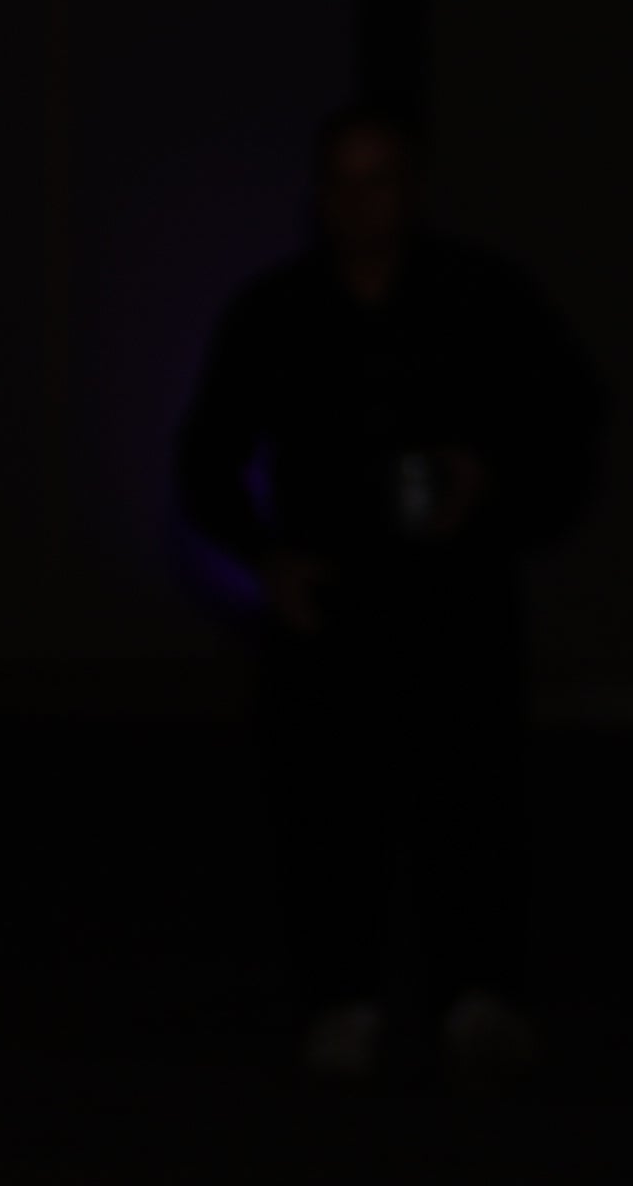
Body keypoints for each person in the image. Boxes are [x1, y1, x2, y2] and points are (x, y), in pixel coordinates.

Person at [174, 105, 601, 1081]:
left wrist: (491, 476)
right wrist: (265, 557)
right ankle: (341, 998)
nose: (358, 204)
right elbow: (203, 456)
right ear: (317, 192)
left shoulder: (482, 296)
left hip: (457, 596)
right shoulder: (275, 310)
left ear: (413, 188)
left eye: (379, 181)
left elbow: (572, 412)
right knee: (327, 808)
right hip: (331, 602)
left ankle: (476, 994)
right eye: (341, 181)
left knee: (472, 800)